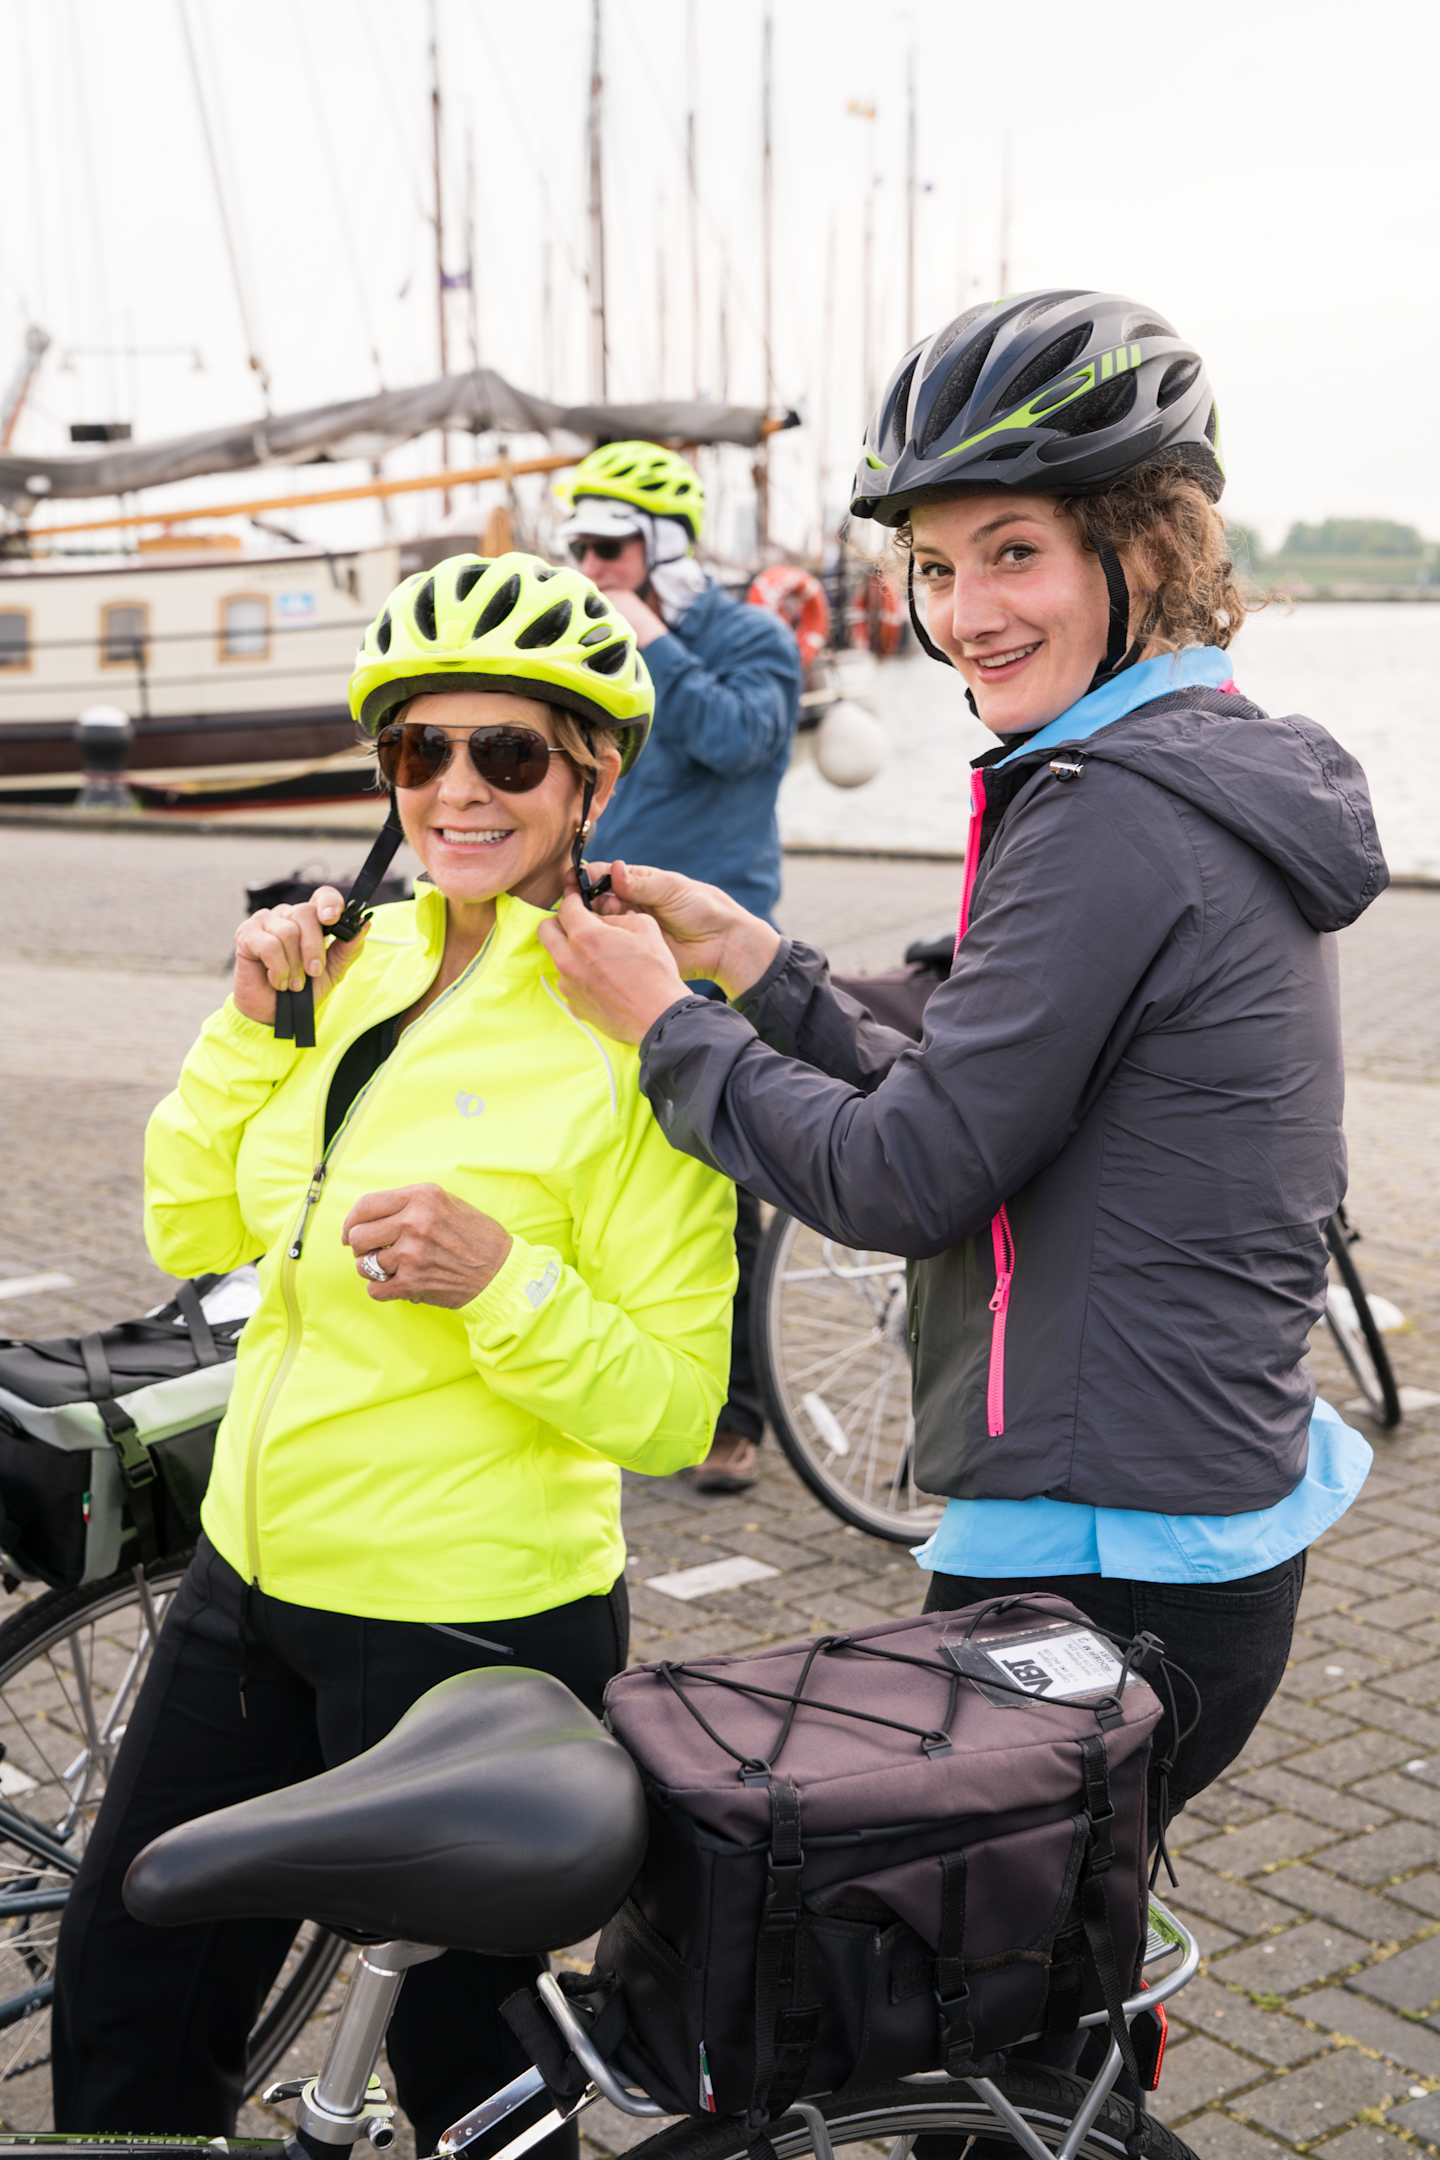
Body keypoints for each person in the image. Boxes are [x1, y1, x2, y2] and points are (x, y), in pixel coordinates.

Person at [539, 290, 1388, 1838]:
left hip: (1105, 1546)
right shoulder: (1178, 769)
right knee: (1040, 1993)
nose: (964, 611)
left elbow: (906, 1175)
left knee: (905, 2008)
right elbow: (975, 1102)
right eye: (935, 566)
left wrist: (665, 1028)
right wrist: (754, 961)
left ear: (1148, 552)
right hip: (1168, 1502)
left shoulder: (1116, 812)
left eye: (1015, 552)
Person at [52, 551, 737, 2155]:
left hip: (469, 1627)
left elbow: (668, 1407)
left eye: (507, 754)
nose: (457, 791)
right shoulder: (353, 960)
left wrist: (497, 1281)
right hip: (253, 1579)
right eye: (419, 752)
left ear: (594, 778)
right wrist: (245, 1018)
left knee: (469, 2086)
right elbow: (187, 1224)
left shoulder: (635, 1021)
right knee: (128, 2004)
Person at [558, 441, 803, 1494]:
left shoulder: (748, 634)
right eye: (578, 548)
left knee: (714, 1174)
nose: (594, 567)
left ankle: (733, 1419)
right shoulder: (582, 645)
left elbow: (742, 740)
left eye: (610, 547)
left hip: (705, 942)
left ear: (661, 549)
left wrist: (652, 634)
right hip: (590, 925)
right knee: (584, 1158)